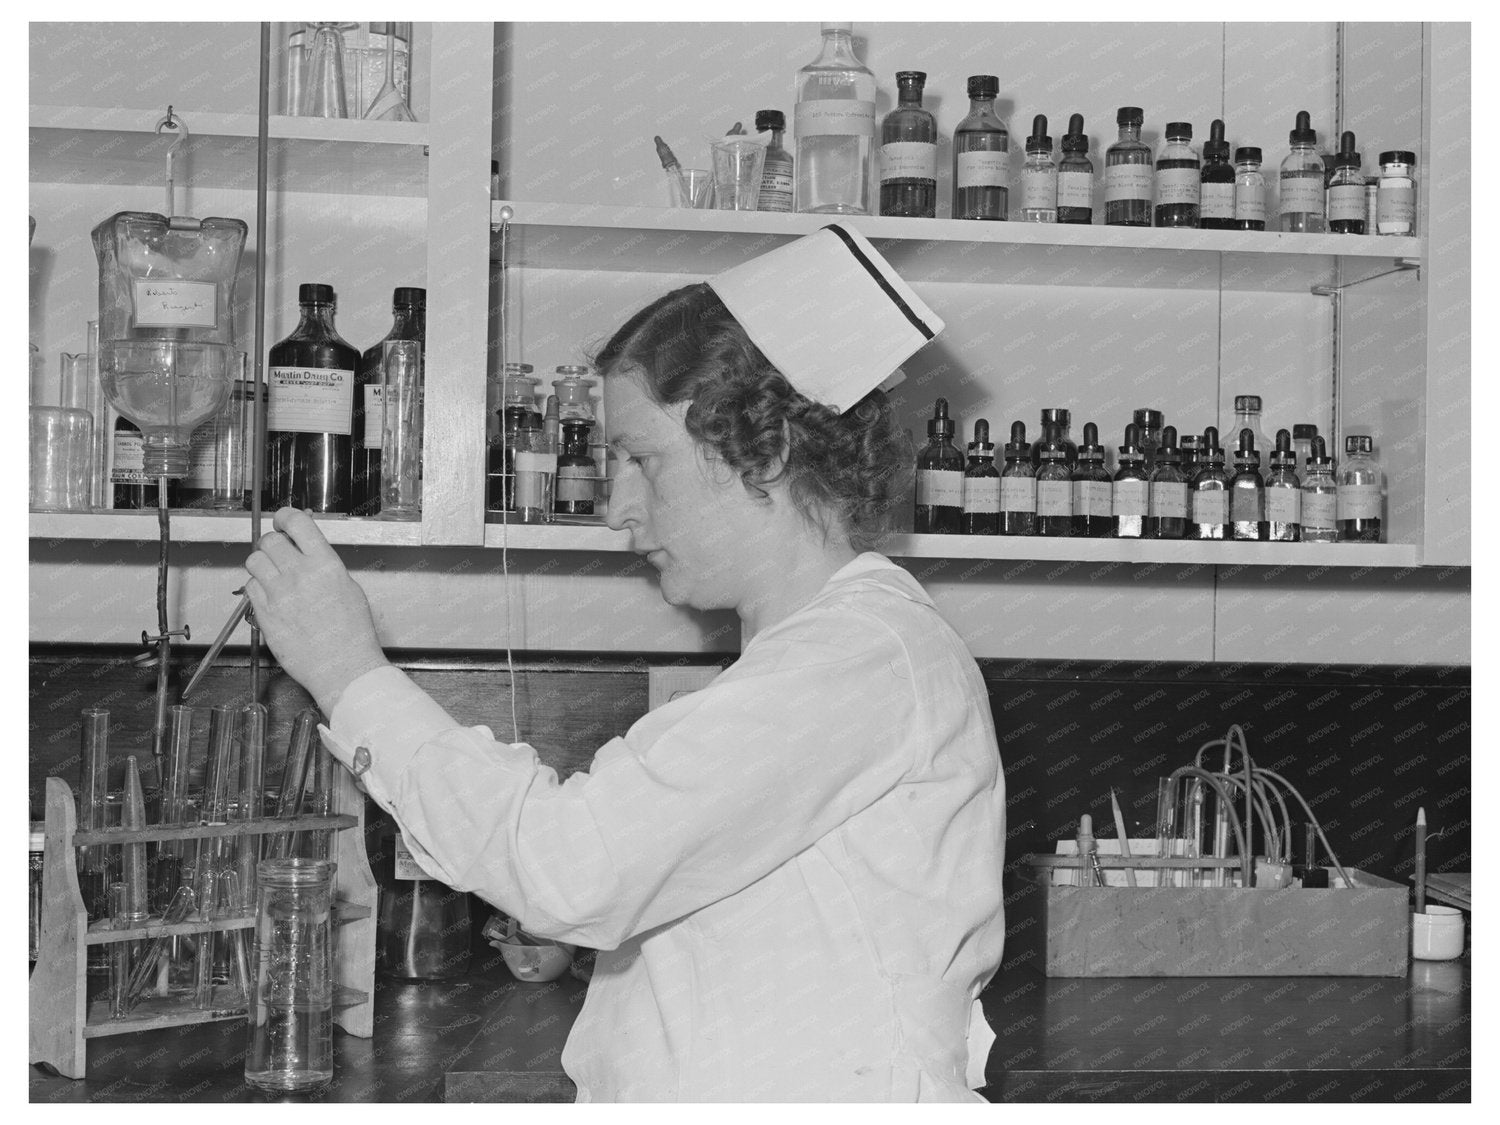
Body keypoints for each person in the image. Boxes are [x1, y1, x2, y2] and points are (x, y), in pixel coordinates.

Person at [244, 223, 1007, 1102]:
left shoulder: (860, 658)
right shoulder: (824, 653)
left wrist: (348, 673)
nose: (618, 508)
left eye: (642, 459)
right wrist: (620, 946)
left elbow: (574, 865)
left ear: (766, 451)